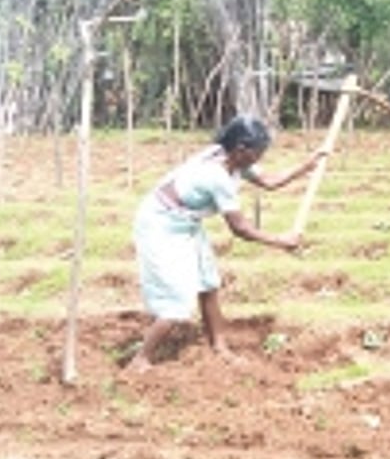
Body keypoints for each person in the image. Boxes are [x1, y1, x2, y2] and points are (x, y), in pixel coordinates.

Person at [127, 114, 325, 373]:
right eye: (258, 152)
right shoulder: (216, 176)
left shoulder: (231, 157)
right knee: (175, 303)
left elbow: (269, 181)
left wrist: (306, 167)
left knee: (208, 283)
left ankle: (219, 346)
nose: (260, 158)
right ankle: (140, 359)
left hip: (185, 222)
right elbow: (240, 228)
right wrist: (280, 241)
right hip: (160, 225)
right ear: (242, 149)